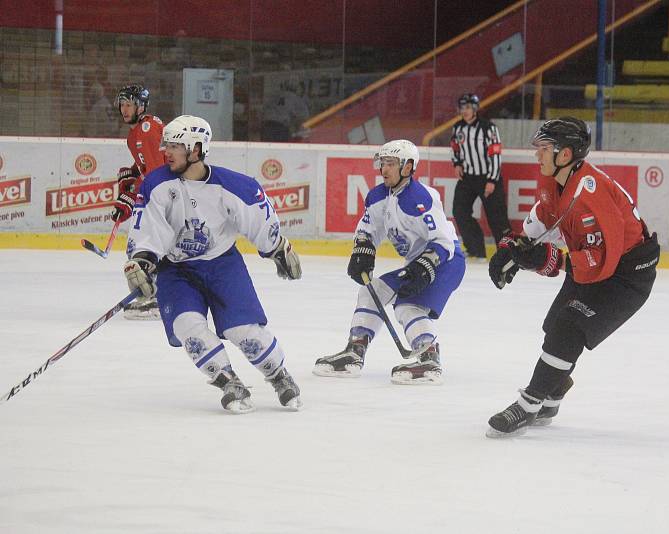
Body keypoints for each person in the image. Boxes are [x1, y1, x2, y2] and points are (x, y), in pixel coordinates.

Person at [486, 117, 660, 437]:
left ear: (564, 154)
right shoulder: (558, 180)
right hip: (604, 260)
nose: (537, 155)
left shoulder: (588, 197)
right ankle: (552, 395)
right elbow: (543, 215)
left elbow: (601, 264)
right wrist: (513, 248)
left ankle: (529, 403)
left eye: (543, 149)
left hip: (627, 274)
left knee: (569, 325)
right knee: (554, 324)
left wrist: (545, 260)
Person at [123, 115, 303, 413]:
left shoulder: (232, 186)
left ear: (196, 150)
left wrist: (277, 248)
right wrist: (142, 259)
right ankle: (228, 380)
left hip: (222, 265)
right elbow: (146, 228)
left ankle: (278, 375)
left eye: (175, 146)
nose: (166, 151)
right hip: (175, 270)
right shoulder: (156, 184)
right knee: (187, 326)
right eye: (165, 144)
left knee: (243, 330)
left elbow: (257, 218)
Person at [314, 139, 465, 385]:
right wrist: (363, 249)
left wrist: (425, 265)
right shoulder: (377, 196)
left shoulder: (422, 198)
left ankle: (429, 357)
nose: (384, 169)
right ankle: (355, 351)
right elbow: (368, 229)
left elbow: (444, 242)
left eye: (391, 163)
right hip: (416, 263)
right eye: (383, 163)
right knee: (371, 291)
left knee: (408, 307)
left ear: (407, 167)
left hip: (446, 262)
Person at [112, 84, 168, 320]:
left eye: (129, 105)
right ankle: (154, 294)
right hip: (159, 196)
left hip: (166, 199)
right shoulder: (135, 133)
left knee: (140, 246)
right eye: (122, 105)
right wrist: (134, 172)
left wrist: (131, 194)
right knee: (140, 246)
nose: (124, 110)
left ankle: (155, 298)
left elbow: (160, 175)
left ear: (141, 106)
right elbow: (149, 165)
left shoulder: (146, 129)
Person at [450, 93, 511, 260]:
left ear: (475, 109)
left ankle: (507, 254)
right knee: (460, 211)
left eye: (468, 107)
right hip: (468, 178)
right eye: (462, 107)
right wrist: (457, 164)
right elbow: (455, 148)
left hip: (488, 178)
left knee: (497, 218)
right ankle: (476, 249)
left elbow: (496, 155)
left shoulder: (488, 128)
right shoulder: (457, 128)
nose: (465, 111)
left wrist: (492, 180)